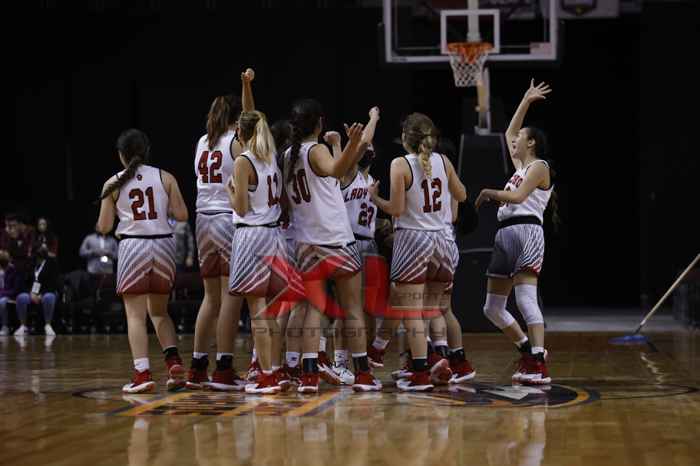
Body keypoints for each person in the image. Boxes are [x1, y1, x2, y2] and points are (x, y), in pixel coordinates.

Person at [283, 98, 381, 393]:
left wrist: (348, 146)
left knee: (313, 309)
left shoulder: (286, 156)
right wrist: (350, 143)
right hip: (335, 239)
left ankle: (308, 375)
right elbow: (338, 170)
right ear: (319, 123)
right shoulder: (316, 150)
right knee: (352, 309)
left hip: (305, 242)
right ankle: (363, 374)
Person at [369, 112, 467, 391]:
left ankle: (420, 373)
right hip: (444, 242)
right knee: (429, 310)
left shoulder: (400, 164)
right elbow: (461, 195)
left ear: (405, 138)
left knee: (411, 311)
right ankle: (433, 360)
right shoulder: (444, 161)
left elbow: (397, 209)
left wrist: (375, 198)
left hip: (414, 240)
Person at [474, 79, 555, 385]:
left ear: (531, 143)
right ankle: (526, 350)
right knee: (492, 308)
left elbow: (519, 197)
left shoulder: (539, 167)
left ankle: (539, 362)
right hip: (505, 234)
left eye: (522, 137)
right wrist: (525, 100)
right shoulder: (521, 167)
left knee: (525, 300)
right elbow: (509, 132)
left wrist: (490, 192)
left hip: (527, 231)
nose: (515, 139)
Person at [96, 128, 188, 394]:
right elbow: (182, 215)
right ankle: (173, 361)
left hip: (133, 247)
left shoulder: (112, 183)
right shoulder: (165, 177)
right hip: (163, 246)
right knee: (159, 311)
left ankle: (142, 374)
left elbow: (104, 227)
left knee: (135, 316)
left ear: (121, 155)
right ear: (147, 151)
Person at [186, 69, 254, 391]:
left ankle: (198, 366)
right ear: (235, 119)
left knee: (210, 298)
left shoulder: (202, 142)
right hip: (227, 218)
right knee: (231, 297)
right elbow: (252, 118)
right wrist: (246, 86)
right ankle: (224, 368)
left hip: (202, 220)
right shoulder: (234, 143)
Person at [227, 109, 296, 394]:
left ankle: (267, 376)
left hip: (252, 235)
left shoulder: (243, 161)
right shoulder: (271, 159)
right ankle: (275, 370)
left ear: (240, 133)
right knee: (269, 310)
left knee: (257, 311)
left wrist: (230, 191)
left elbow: (241, 208)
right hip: (274, 235)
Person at [13, 243, 60, 336]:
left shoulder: (52, 263)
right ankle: (23, 326)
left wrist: (41, 294)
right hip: (32, 292)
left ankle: (48, 325)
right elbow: (24, 282)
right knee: (21, 297)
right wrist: (30, 293)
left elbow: (54, 283)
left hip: (47, 291)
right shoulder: (30, 264)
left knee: (48, 297)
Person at [0, 251, 20, 336]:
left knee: (2, 302)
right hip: (3, 294)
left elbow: (15, 290)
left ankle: (5, 326)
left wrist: (2, 293)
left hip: (12, 296)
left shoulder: (14, 270)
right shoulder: (1, 271)